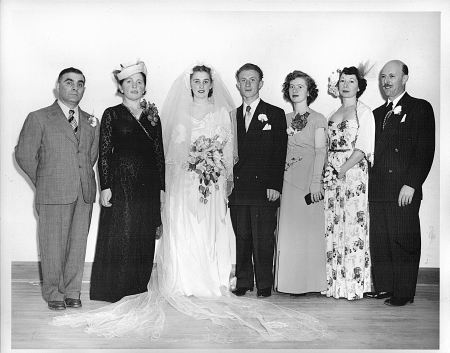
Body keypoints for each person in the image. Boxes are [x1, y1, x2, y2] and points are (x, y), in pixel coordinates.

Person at [52, 63, 334, 342]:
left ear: (211, 84)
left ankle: (209, 281)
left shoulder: (223, 112)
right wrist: (182, 171)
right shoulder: (175, 112)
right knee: (183, 228)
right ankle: (183, 280)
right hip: (185, 182)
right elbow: (169, 151)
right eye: (196, 81)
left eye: (204, 81)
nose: (200, 86)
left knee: (208, 229)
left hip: (210, 183)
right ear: (190, 84)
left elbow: (227, 149)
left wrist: (216, 171)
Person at [15, 67, 100, 310]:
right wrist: (45, 180)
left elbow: (90, 156)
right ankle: (54, 293)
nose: (75, 88)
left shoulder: (91, 121)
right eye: (69, 82)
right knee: (52, 244)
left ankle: (73, 291)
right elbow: (24, 154)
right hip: (52, 192)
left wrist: (78, 176)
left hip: (83, 192)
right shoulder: (39, 117)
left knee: (77, 244)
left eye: (80, 84)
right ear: (58, 87)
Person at [89, 60, 165, 302]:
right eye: (129, 82)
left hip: (148, 186)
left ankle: (137, 289)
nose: (135, 86)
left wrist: (162, 188)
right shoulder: (112, 114)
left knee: (142, 234)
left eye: (139, 82)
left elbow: (159, 154)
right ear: (121, 87)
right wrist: (105, 186)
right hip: (120, 185)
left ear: (144, 88)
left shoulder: (153, 116)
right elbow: (104, 151)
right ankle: (113, 290)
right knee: (120, 234)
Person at [366, 60, 435, 306]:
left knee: (403, 240)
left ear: (405, 78)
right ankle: (384, 287)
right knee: (381, 241)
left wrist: (412, 184)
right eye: (383, 77)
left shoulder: (419, 108)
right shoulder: (375, 114)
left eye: (392, 76)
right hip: (378, 189)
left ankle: (404, 293)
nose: (386, 81)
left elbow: (425, 151)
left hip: (403, 188)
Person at [228, 63, 288, 299]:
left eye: (252, 79)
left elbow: (279, 152)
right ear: (237, 85)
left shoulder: (275, 113)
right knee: (242, 237)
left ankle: (264, 284)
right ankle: (243, 281)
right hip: (240, 189)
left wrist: (275, 184)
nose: (248, 84)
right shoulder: (232, 116)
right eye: (243, 80)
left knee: (263, 238)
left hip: (265, 188)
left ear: (261, 83)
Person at [322, 65, 375, 300]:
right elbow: (326, 145)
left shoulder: (364, 112)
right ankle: (334, 283)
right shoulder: (332, 113)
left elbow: (363, 147)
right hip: (333, 174)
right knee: (333, 223)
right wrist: (328, 170)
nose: (345, 84)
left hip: (352, 172)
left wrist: (341, 169)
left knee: (352, 224)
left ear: (359, 86)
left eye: (351, 81)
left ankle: (352, 285)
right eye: (342, 80)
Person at [274, 70, 327, 296]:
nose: (295, 90)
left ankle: (311, 284)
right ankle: (288, 283)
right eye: (292, 86)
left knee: (308, 230)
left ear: (309, 91)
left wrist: (316, 182)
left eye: (300, 86)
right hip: (286, 178)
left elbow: (320, 152)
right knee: (289, 230)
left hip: (308, 178)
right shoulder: (282, 119)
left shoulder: (318, 118)